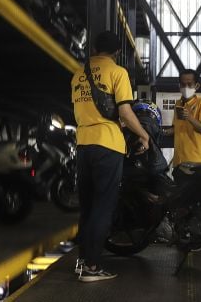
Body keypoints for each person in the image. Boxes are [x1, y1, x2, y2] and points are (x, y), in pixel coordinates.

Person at [70, 31, 150, 282]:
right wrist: (144, 135)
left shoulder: (77, 75)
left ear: (94, 48)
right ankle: (93, 268)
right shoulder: (117, 72)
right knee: (103, 207)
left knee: (87, 206)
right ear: (116, 52)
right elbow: (125, 112)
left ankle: (83, 261)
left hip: (82, 146)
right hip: (107, 144)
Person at [162, 69, 201, 166]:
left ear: (197, 86)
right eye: (183, 84)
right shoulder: (178, 104)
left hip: (195, 161)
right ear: (179, 86)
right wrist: (165, 132)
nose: (186, 87)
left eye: (189, 84)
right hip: (178, 160)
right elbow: (177, 127)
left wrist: (189, 117)